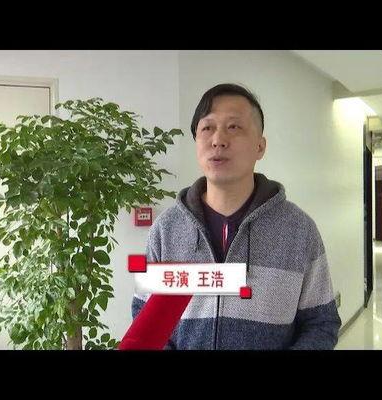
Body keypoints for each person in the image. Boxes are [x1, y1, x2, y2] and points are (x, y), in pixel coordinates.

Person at [131, 83, 341, 349]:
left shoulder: (299, 230)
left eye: (234, 127)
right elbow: (145, 320)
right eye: (207, 128)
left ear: (260, 146)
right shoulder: (166, 230)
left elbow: (321, 323)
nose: (218, 140)